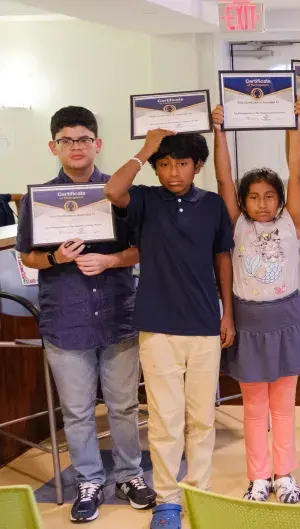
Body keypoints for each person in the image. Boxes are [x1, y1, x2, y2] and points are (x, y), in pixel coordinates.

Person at [16, 106, 155, 523]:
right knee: (76, 411)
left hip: (118, 315)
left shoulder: (121, 192)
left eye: (83, 139)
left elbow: (142, 249)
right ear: (53, 146)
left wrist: (111, 262)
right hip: (65, 319)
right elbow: (28, 256)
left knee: (124, 405)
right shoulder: (39, 200)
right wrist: (56, 257)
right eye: (66, 140)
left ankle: (130, 474)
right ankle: (90, 480)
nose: (75, 147)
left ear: (97, 144)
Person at [104, 130, 235, 529]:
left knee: (202, 418)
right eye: (164, 164)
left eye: (181, 164)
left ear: (197, 167)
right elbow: (112, 190)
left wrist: (227, 312)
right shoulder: (144, 198)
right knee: (164, 419)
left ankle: (199, 492)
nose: (173, 172)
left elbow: (222, 259)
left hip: (203, 325)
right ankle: (167, 499)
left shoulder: (212, 205)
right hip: (157, 326)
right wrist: (145, 149)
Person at [211, 103, 300, 503]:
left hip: (287, 317)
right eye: (253, 197)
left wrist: (295, 126)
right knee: (254, 407)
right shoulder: (237, 224)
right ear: (243, 201)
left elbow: (296, 173)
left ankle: (285, 474)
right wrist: (219, 132)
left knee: (284, 406)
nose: (262, 204)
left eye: (270, 196)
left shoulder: (293, 221)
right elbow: (222, 177)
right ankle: (259, 476)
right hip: (249, 323)